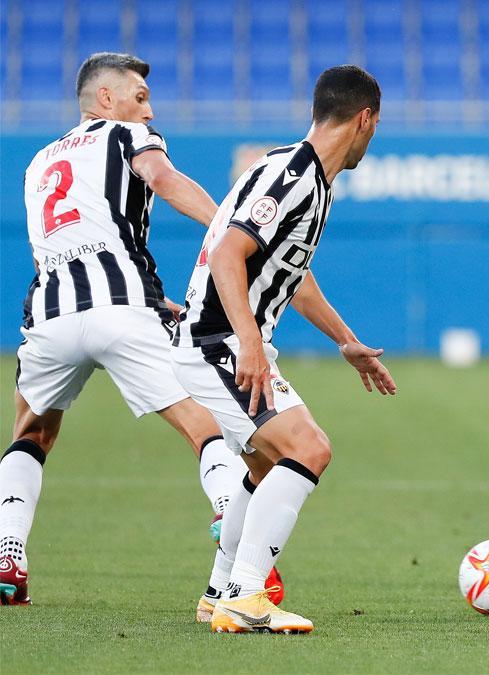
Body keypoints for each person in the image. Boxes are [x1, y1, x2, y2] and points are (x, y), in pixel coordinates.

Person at [0, 52, 266, 607]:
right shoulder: (127, 136)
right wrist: (230, 225)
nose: (148, 109)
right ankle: (226, 508)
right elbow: (161, 177)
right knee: (204, 425)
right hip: (122, 311)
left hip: (51, 316)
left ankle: (9, 550)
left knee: (30, 434)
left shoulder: (37, 163)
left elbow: (73, 245)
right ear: (106, 99)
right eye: (140, 97)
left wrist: (150, 297)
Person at [171, 65, 396, 634]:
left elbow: (294, 274)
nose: (373, 138)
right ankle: (246, 597)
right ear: (364, 119)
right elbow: (227, 254)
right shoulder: (293, 173)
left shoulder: (312, 179)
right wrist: (248, 342)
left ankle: (219, 593)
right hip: (217, 343)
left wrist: (346, 342)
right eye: (375, 127)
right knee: (309, 447)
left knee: (266, 462)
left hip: (225, 341)